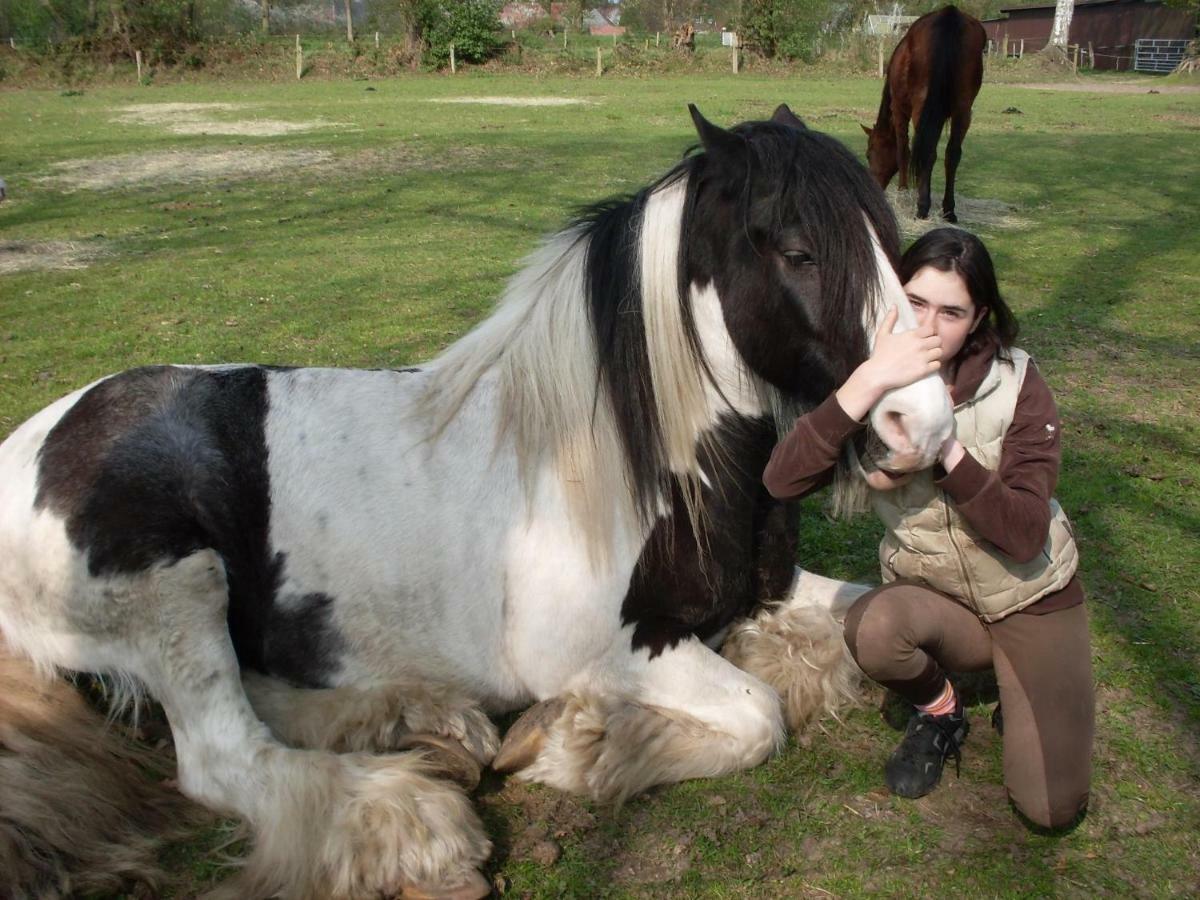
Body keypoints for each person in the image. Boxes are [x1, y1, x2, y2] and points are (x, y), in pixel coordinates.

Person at [762, 227, 1092, 831]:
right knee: (875, 626)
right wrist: (862, 386)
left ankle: (1028, 678)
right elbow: (782, 483)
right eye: (914, 302)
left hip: (1028, 597)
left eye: (951, 312)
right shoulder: (877, 379)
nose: (929, 327)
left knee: (1050, 810)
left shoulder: (1018, 385)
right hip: (939, 600)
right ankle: (942, 710)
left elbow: (1022, 534)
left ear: (979, 317)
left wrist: (948, 454)